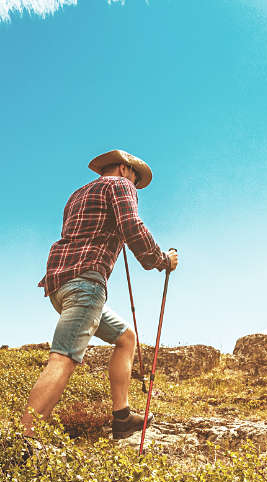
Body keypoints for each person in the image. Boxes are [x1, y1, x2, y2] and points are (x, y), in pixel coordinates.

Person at [20, 149, 179, 439]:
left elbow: (97, 229)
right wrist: (162, 260)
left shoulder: (77, 195)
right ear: (122, 168)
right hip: (86, 285)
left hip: (61, 284)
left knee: (125, 337)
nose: (135, 183)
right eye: (135, 176)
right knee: (63, 357)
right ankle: (24, 438)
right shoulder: (120, 185)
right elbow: (132, 226)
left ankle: (122, 416)